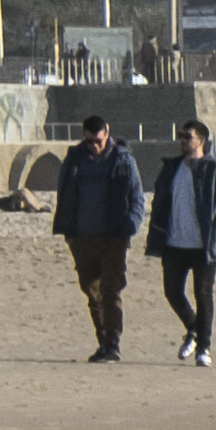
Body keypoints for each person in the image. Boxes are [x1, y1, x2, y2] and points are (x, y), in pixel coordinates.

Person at [146, 121, 216, 365]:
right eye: (180, 136)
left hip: (204, 247)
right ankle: (193, 328)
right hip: (173, 244)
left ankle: (204, 348)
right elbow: (159, 202)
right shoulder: (170, 168)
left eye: (187, 136)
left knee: (203, 294)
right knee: (172, 292)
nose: (182, 140)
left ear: (200, 141)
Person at [51, 117, 139, 360]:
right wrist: (68, 232)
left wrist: (131, 226)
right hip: (82, 236)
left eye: (98, 141)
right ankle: (103, 342)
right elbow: (65, 193)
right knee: (92, 292)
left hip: (114, 236)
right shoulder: (75, 159)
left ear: (107, 134)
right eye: (89, 141)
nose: (94, 146)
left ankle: (113, 343)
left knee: (111, 290)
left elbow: (136, 197)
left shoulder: (122, 159)